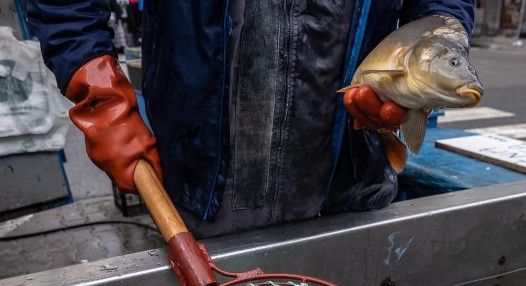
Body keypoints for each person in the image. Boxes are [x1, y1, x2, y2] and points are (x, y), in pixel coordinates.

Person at [27, 2, 475, 238]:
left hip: (351, 183)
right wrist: (94, 84)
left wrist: (435, 40)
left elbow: (440, 1)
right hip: (203, 182)